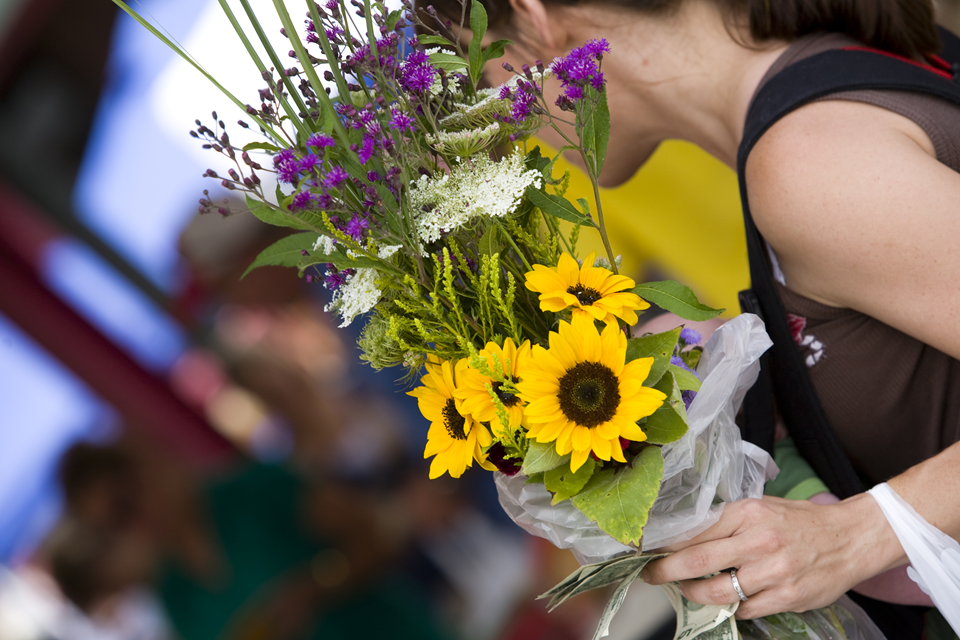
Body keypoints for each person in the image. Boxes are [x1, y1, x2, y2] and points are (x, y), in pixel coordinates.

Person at [423, 0, 960, 633]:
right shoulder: (828, 73)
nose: (498, 121)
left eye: (481, 72)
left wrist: (856, 534)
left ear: (537, 20)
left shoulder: (805, 165)